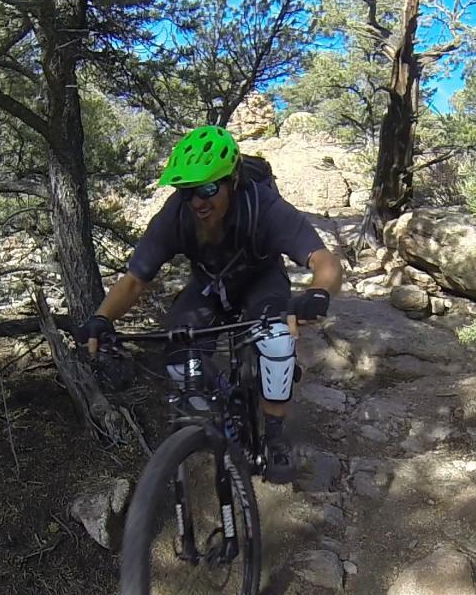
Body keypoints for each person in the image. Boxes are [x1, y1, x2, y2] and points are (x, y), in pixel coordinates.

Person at [77, 125, 343, 484]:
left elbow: (323, 260)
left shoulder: (263, 207)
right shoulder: (177, 215)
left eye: (207, 188)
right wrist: (101, 317)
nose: (198, 201)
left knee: (277, 341)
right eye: (188, 191)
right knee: (177, 355)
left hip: (261, 282)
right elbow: (135, 279)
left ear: (232, 181)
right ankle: (216, 419)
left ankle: (275, 435)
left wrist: (317, 294)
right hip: (208, 287)